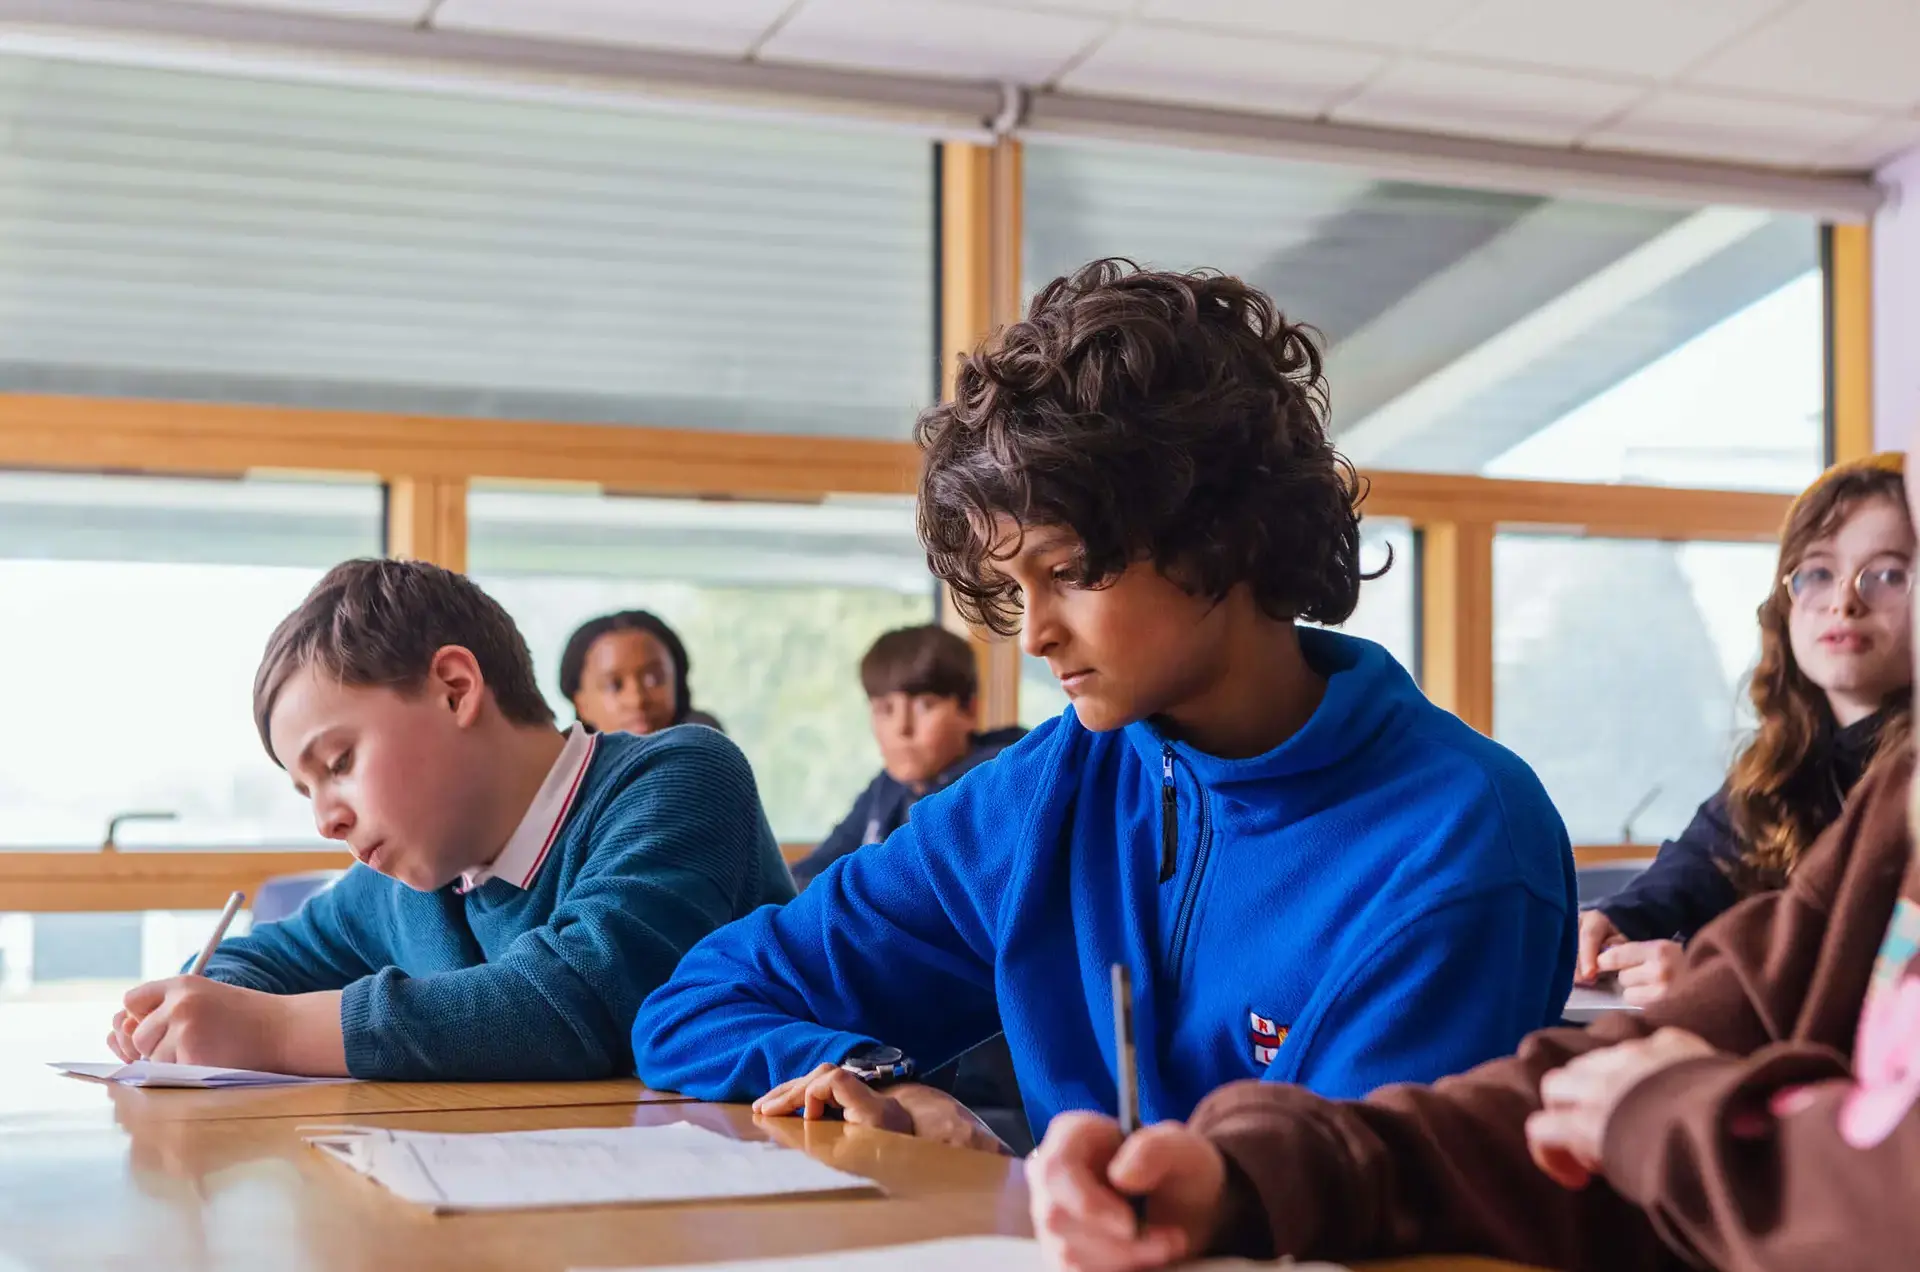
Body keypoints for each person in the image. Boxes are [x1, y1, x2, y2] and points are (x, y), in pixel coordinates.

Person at [631, 260, 1575, 1151]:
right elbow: (694, 1005)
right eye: (1016, 585)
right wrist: (864, 1074)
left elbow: (1345, 1208)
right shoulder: (1042, 795)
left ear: (1223, 535)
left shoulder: (1457, 841)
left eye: (1071, 572)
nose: (1033, 634)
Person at [106, 559, 794, 1080]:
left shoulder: (677, 780)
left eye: (340, 761)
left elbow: (582, 1004)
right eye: (306, 790)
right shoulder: (414, 878)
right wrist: (192, 1010)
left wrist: (279, 1032)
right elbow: (259, 960)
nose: (326, 820)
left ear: (454, 689)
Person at [1578, 455, 1912, 1004]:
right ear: (1785, 604)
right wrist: (1616, 920)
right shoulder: (1785, 764)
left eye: (1886, 575)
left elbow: (1873, 977)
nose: (1844, 602)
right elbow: (1692, 869)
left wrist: (1715, 980)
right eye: (1818, 573)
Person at [791, 625, 1026, 889]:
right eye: (885, 709)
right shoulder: (891, 784)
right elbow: (816, 869)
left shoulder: (996, 785)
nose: (902, 728)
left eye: (925, 705)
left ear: (969, 711)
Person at [558, 609, 723, 736]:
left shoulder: (706, 745)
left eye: (654, 680)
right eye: (614, 686)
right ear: (581, 704)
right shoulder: (555, 772)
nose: (637, 700)